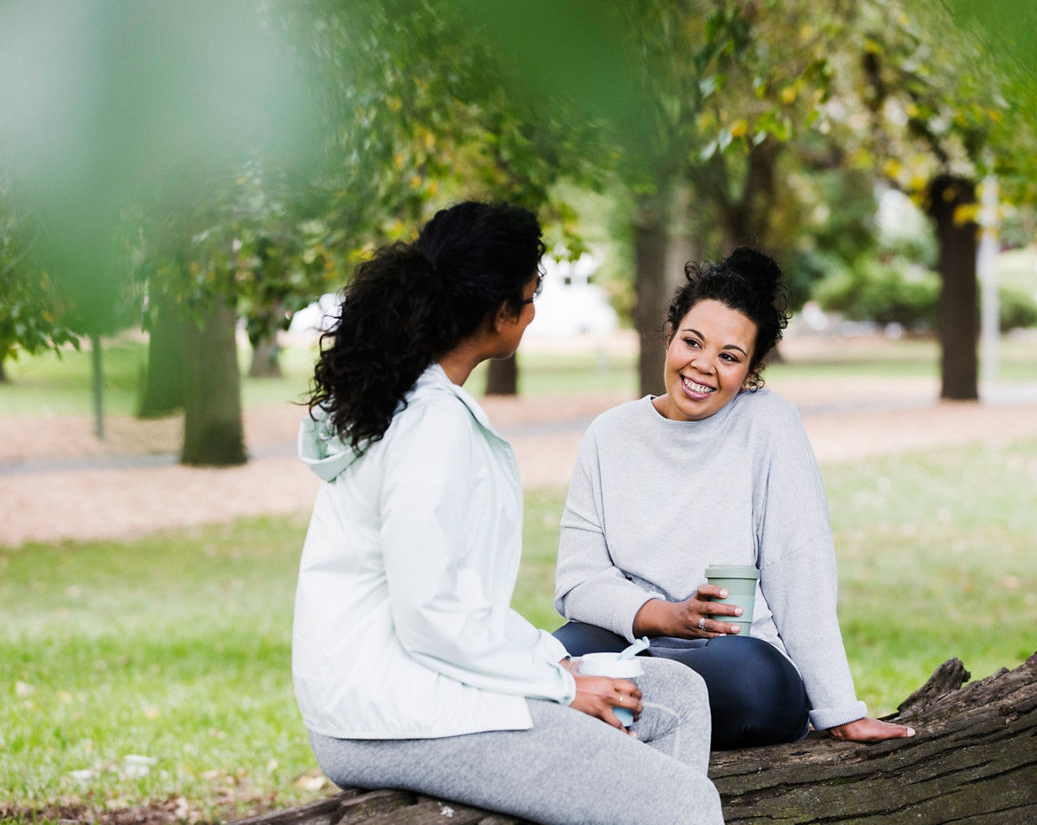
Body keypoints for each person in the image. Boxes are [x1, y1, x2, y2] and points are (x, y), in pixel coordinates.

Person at [292, 202, 724, 825]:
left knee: (673, 693)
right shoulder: (430, 424)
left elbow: (457, 602)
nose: (534, 309)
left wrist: (552, 662)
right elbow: (429, 612)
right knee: (684, 802)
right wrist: (560, 686)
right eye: (530, 295)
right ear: (499, 313)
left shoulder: (403, 397)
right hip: (390, 713)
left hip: (409, 689)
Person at [553, 247, 916, 750]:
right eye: (692, 342)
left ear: (751, 371)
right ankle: (625, 714)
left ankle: (613, 715)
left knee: (745, 677)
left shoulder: (767, 424)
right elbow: (579, 582)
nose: (703, 366)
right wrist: (669, 614)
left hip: (736, 661)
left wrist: (839, 710)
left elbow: (801, 573)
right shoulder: (609, 435)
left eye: (729, 356)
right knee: (563, 650)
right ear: (671, 335)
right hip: (635, 644)